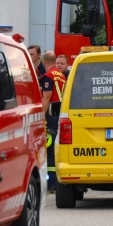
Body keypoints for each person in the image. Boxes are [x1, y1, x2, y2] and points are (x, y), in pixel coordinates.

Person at [41, 51, 66, 193]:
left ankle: (52, 184)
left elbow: (46, 97)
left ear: (44, 62)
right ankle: (55, 181)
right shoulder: (61, 75)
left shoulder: (48, 76)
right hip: (60, 112)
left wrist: (40, 116)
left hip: (51, 114)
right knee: (55, 146)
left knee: (49, 147)